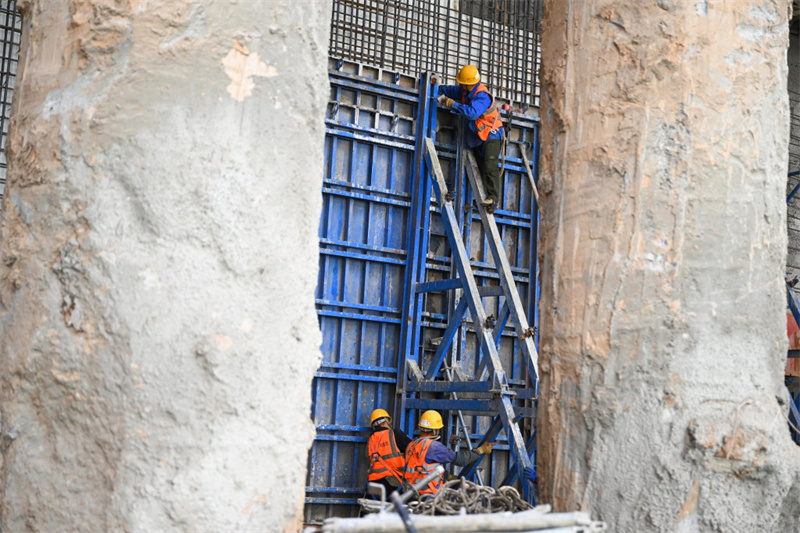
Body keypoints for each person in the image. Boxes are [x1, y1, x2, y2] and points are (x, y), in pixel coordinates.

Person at [437, 64, 504, 214]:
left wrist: (452, 104)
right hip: (478, 138)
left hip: (491, 136)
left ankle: (493, 199)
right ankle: (477, 196)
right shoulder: (464, 90)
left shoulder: (482, 96)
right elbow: (446, 90)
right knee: (479, 168)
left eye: (462, 83)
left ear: (469, 84)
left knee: (489, 164)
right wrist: (435, 89)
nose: (459, 85)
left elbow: (473, 113)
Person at [403, 410, 495, 496]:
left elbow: (423, 467)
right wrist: (481, 450)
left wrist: (447, 476)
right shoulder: (434, 447)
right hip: (428, 494)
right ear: (436, 430)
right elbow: (460, 460)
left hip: (410, 492)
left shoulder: (411, 445)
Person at [366, 408, 412, 494]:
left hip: (373, 485)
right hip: (391, 483)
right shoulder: (394, 434)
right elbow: (414, 448)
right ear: (386, 421)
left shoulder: (370, 441)